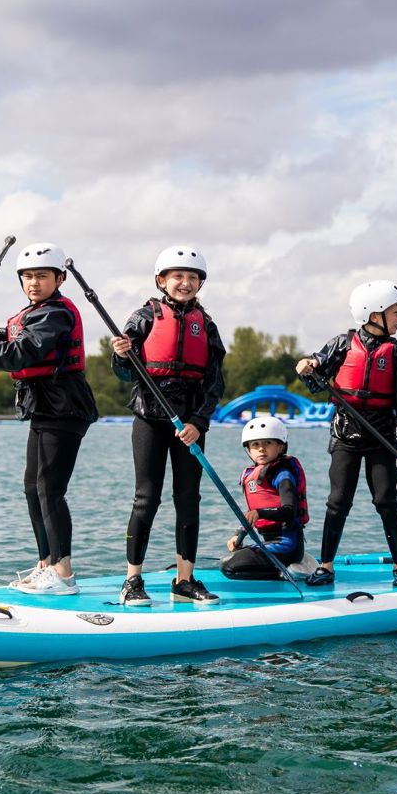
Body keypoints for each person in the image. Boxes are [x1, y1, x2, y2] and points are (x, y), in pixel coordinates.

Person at [0, 241, 98, 594]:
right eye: (28, 277)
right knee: (33, 489)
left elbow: (18, 354)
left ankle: (64, 573)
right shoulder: (35, 313)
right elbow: (7, 340)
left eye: (42, 276)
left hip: (63, 407)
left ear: (59, 278)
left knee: (50, 490)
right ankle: (46, 563)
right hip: (45, 408)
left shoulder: (54, 314)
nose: (34, 283)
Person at [110, 245, 226, 606]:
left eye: (192, 278)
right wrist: (119, 355)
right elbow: (125, 372)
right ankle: (132, 580)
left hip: (189, 424)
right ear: (161, 280)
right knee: (147, 498)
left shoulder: (206, 325)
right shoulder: (143, 318)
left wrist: (198, 422)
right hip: (150, 417)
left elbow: (214, 382)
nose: (185, 283)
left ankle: (185, 579)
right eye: (178, 276)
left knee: (188, 499)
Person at [295, 281, 397, 587]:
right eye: (396, 312)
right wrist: (307, 368)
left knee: (386, 501)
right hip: (345, 436)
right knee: (338, 501)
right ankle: (325, 566)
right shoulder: (342, 343)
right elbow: (317, 374)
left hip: (381, 439)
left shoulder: (396, 356)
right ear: (374, 314)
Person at [220, 416, 309, 580]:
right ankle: (286, 566)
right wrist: (238, 535)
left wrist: (260, 513)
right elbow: (252, 515)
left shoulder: (283, 475)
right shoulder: (253, 476)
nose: (261, 449)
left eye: (268, 443)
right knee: (230, 558)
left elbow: (289, 511)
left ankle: (292, 569)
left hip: (287, 545)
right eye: (255, 444)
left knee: (229, 567)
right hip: (269, 542)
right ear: (249, 450)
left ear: (280, 447)